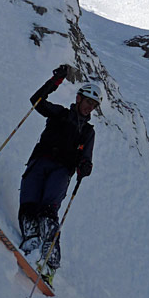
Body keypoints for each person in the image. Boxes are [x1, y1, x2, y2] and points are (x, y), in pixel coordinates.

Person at [18, 64, 100, 286]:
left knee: (47, 213)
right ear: (79, 99)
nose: (89, 107)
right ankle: (31, 244)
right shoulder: (60, 114)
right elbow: (36, 101)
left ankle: (49, 266)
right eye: (87, 101)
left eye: (93, 104)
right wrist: (55, 82)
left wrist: (85, 167)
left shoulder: (88, 132)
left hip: (61, 171)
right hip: (39, 162)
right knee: (28, 205)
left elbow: (87, 159)